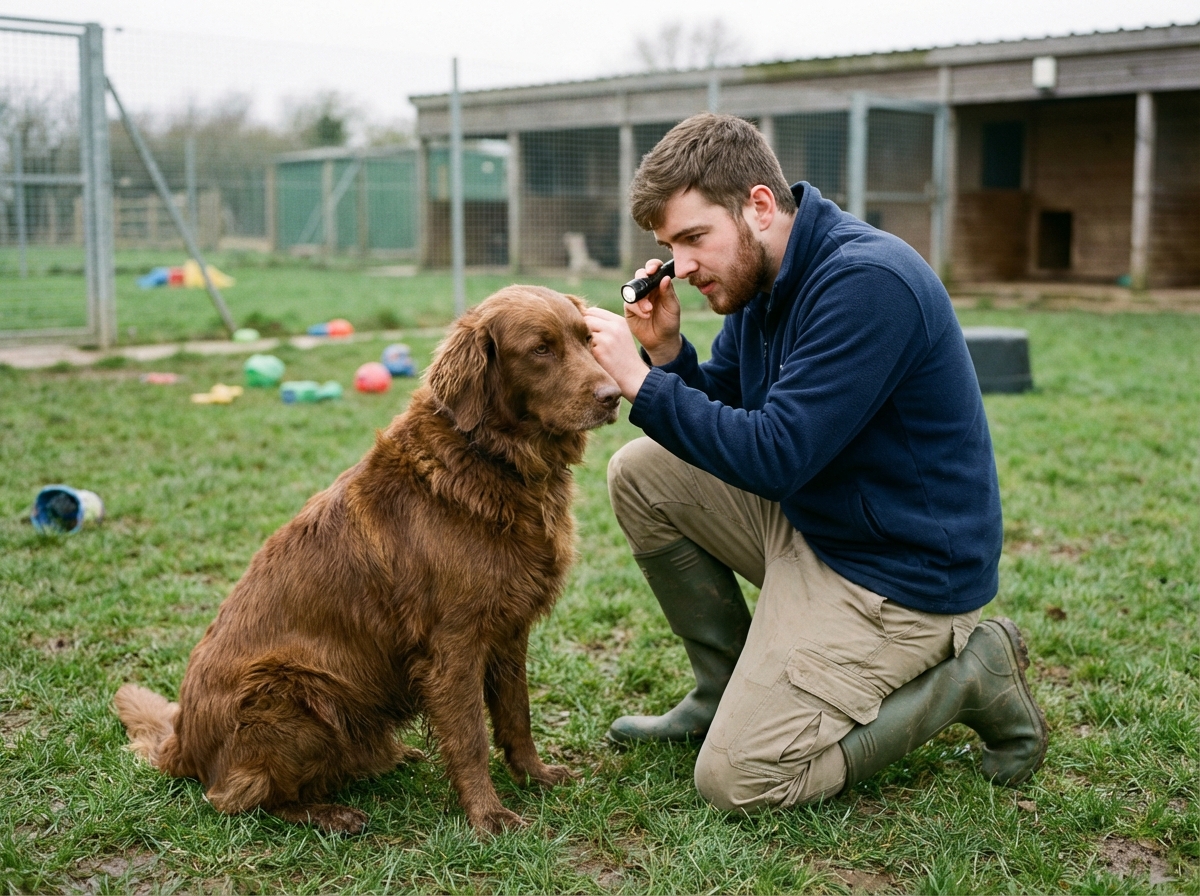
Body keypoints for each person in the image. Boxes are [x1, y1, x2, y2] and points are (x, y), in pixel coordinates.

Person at [584, 113, 1047, 812]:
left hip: (898, 578)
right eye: (668, 246)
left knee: (741, 781)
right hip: (819, 523)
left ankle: (971, 678)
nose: (680, 265)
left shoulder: (867, 284)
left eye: (693, 237)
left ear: (759, 207)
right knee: (642, 471)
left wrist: (642, 385)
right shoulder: (762, 280)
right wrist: (668, 354)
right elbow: (727, 421)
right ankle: (722, 691)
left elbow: (774, 455)